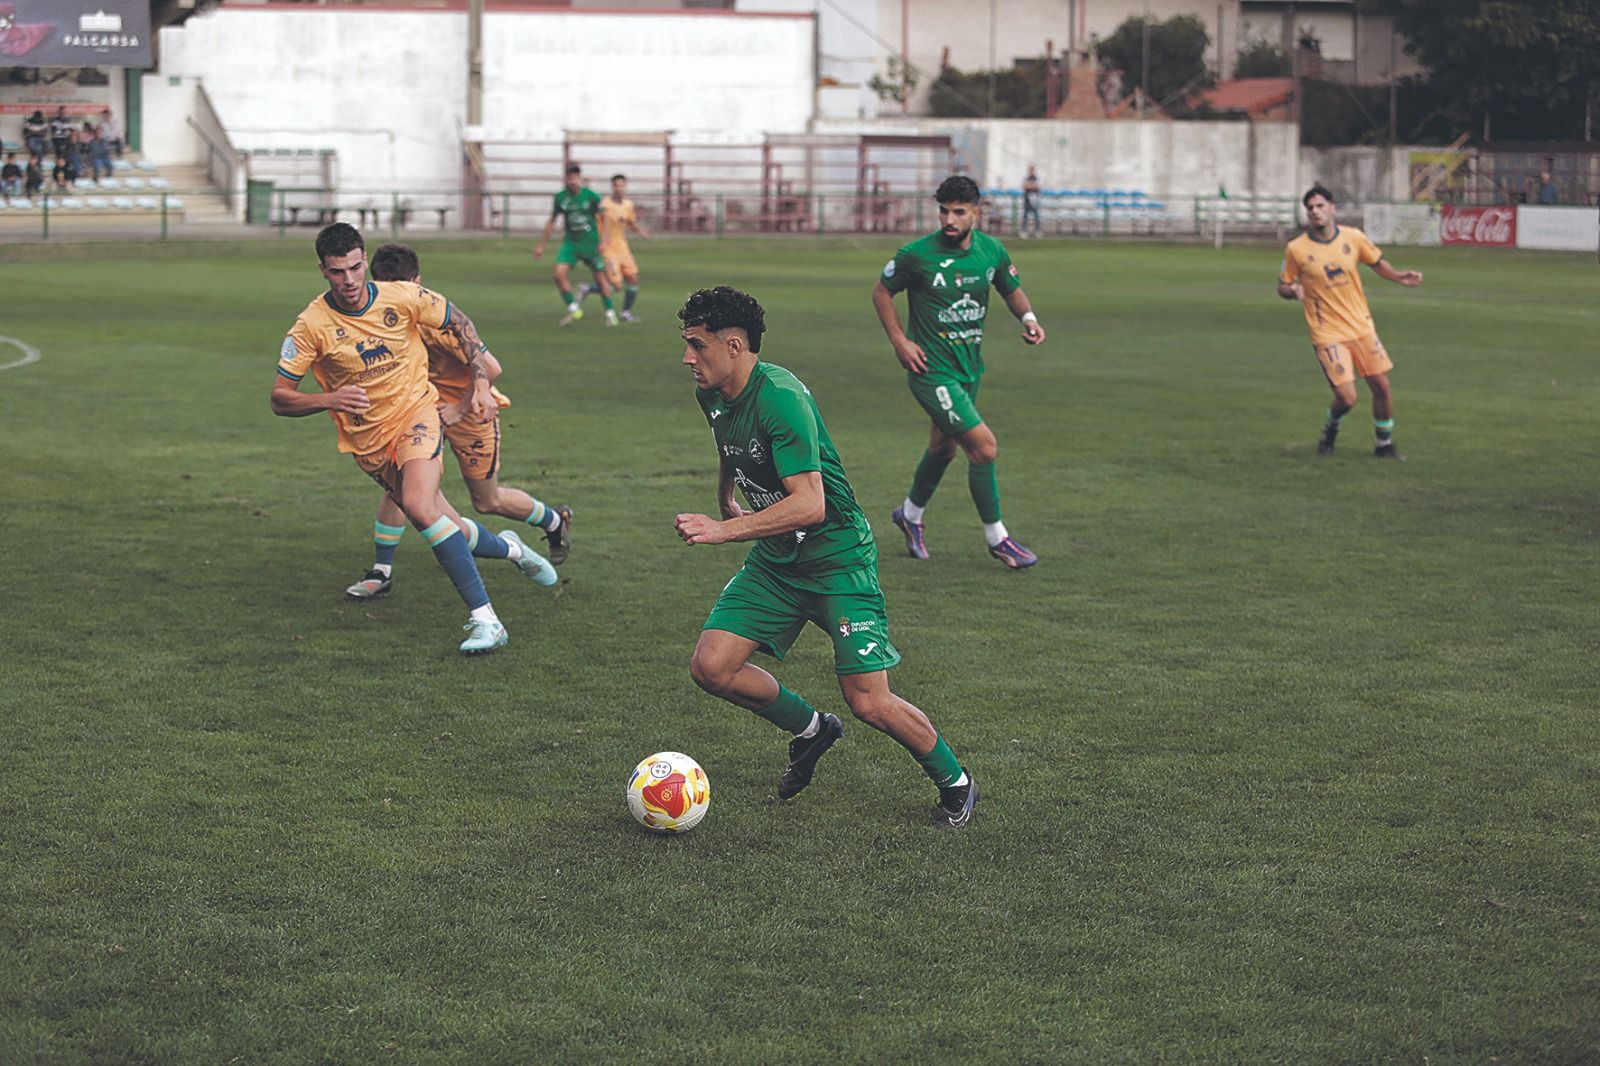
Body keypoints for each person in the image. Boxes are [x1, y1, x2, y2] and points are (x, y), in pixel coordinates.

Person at [675, 286, 980, 827]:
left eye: (697, 346)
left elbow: (811, 505)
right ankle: (813, 729)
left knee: (870, 702)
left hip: (837, 560)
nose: (687, 358)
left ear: (735, 345)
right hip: (776, 561)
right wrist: (727, 488)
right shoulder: (713, 392)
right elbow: (730, 443)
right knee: (712, 667)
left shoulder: (781, 399)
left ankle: (956, 781)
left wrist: (726, 528)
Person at [272, 223, 556, 654]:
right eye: (336, 272)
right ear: (322, 271)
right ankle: (514, 550)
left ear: (364, 260)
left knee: (422, 508)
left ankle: (486, 620)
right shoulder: (311, 326)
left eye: (354, 268)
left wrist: (479, 384)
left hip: (417, 417)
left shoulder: (400, 296)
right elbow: (280, 398)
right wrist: (329, 398)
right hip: (370, 444)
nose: (348, 281)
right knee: (451, 527)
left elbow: (460, 322)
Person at [343, 242, 570, 600]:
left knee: (487, 501)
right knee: (399, 485)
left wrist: (461, 407)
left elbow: (492, 368)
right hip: (415, 412)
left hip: (467, 413)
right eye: (387, 287)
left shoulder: (437, 321)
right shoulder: (375, 317)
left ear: (417, 282)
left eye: (403, 287)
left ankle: (554, 520)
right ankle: (381, 571)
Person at [871, 174, 1048, 570]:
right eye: (944, 211)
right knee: (983, 447)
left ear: (976, 213)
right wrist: (900, 341)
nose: (949, 219)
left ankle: (910, 515)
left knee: (942, 448)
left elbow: (1010, 287)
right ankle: (998, 539)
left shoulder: (991, 252)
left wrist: (1029, 317)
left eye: (958, 212)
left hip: (969, 369)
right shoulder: (917, 255)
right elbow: (882, 292)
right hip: (931, 372)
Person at [1277, 184, 1422, 461]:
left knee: (1381, 386)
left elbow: (1377, 262)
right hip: (1327, 332)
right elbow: (1282, 285)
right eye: (1310, 208)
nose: (1315, 212)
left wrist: (1399, 277)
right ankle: (1331, 428)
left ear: (1333, 208)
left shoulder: (1353, 238)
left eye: (1320, 206)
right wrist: (1292, 291)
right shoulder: (1296, 249)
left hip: (1361, 326)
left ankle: (1384, 445)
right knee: (1347, 397)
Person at [532, 164, 616, 327]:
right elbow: (552, 221)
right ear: (566, 180)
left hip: (590, 242)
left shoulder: (590, 196)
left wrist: (604, 240)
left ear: (580, 179)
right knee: (558, 274)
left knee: (600, 279)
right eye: (570, 178)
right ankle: (574, 308)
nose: (573, 181)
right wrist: (541, 245)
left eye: (576, 178)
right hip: (571, 242)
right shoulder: (561, 198)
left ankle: (610, 313)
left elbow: (605, 217)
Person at [576, 173, 649, 323]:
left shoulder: (628, 205)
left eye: (622, 185)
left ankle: (626, 313)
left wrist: (639, 231)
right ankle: (588, 289)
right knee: (616, 285)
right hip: (608, 249)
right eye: (617, 185)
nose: (619, 189)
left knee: (633, 279)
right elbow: (595, 224)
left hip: (623, 247)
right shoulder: (604, 205)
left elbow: (630, 222)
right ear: (612, 186)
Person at [1020, 165, 1043, 239]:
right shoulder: (1025, 178)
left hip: (1035, 199)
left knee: (1036, 216)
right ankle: (1024, 231)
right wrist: (1031, 186)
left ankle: (1037, 230)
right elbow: (1024, 186)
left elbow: (1039, 187)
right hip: (1027, 199)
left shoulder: (1037, 178)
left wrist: (1031, 186)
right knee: (1025, 216)